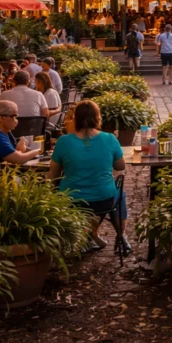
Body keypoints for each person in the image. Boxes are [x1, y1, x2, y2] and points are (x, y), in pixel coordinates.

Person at [49, 100, 130, 253]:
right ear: (97, 118)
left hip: (72, 200)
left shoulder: (63, 141)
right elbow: (120, 166)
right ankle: (121, 236)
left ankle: (85, 236)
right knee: (119, 195)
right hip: (104, 199)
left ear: (75, 119)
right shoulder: (110, 139)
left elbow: (53, 175)